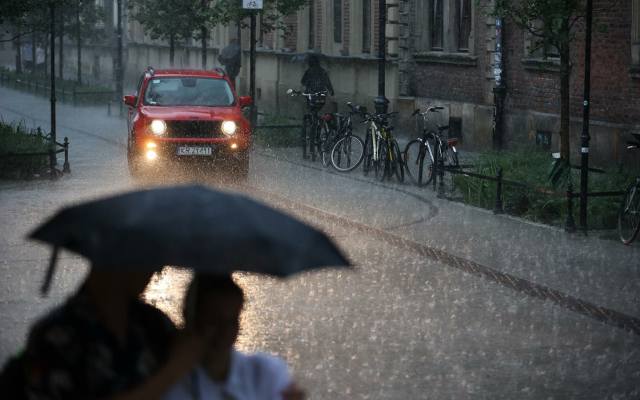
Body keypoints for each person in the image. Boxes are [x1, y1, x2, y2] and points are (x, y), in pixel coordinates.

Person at [1, 267, 210, 400]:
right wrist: (173, 371)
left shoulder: (153, 324)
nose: (157, 271)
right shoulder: (56, 336)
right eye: (149, 257)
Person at [163, 274, 305, 400]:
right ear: (192, 318)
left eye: (232, 321)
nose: (224, 332)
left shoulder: (267, 371)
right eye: (213, 321)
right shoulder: (170, 383)